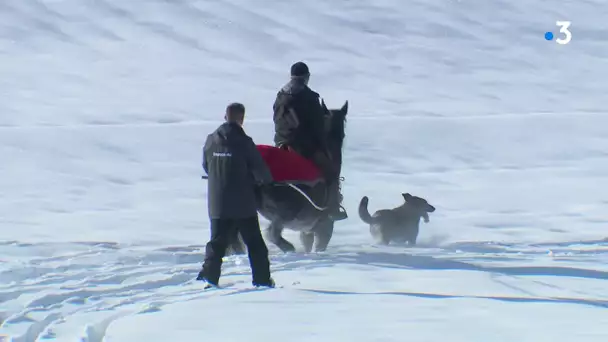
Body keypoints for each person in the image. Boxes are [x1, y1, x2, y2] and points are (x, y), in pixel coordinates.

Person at [198, 102, 275, 288]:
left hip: (217, 203)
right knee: (255, 243)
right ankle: (262, 280)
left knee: (216, 243)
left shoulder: (210, 140)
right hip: (243, 204)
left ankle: (210, 277)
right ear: (241, 119)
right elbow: (261, 172)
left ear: (225, 116)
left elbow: (206, 165)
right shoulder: (245, 143)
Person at [272, 61, 347, 221]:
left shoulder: (280, 95)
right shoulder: (309, 97)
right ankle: (333, 207)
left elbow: (276, 120)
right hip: (302, 147)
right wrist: (322, 147)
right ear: (307, 77)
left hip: (281, 144)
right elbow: (317, 127)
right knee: (330, 170)